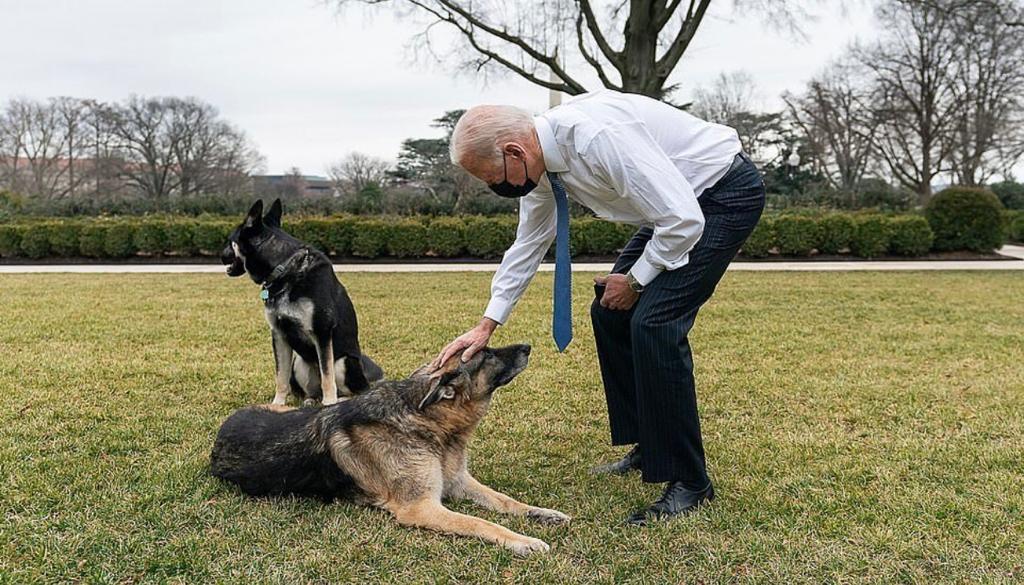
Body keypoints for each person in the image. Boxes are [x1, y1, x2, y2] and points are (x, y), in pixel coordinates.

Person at [433, 89, 765, 525]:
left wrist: (636, 279)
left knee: (654, 324)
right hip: (675, 208)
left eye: (492, 178)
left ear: (514, 151)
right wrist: (486, 325)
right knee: (610, 313)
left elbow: (684, 220)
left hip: (719, 197)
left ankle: (691, 481)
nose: (495, 188)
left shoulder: (597, 138)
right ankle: (651, 444)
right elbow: (529, 242)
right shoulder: (539, 168)